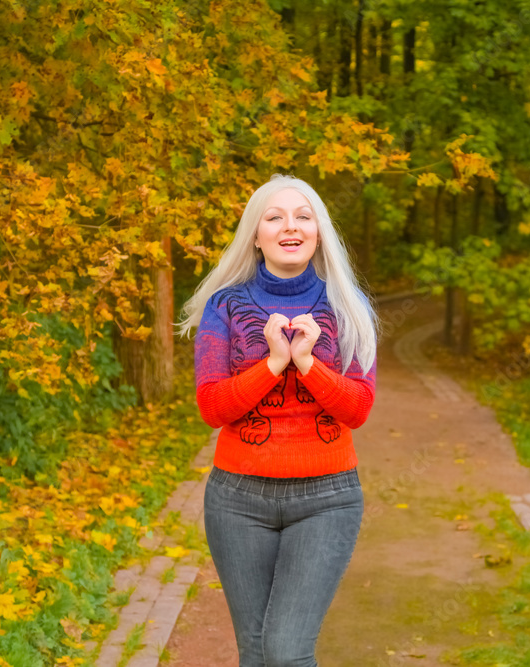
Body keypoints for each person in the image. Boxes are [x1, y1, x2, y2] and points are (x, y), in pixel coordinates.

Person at [178, 173, 378, 666]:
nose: (290, 226)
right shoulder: (224, 307)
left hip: (327, 499)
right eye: (275, 217)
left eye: (303, 217)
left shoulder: (347, 307)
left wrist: (308, 364)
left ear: (318, 232)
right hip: (238, 500)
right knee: (256, 652)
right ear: (256, 233)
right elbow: (213, 408)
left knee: (287, 651)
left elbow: (357, 409)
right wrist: (272, 363)